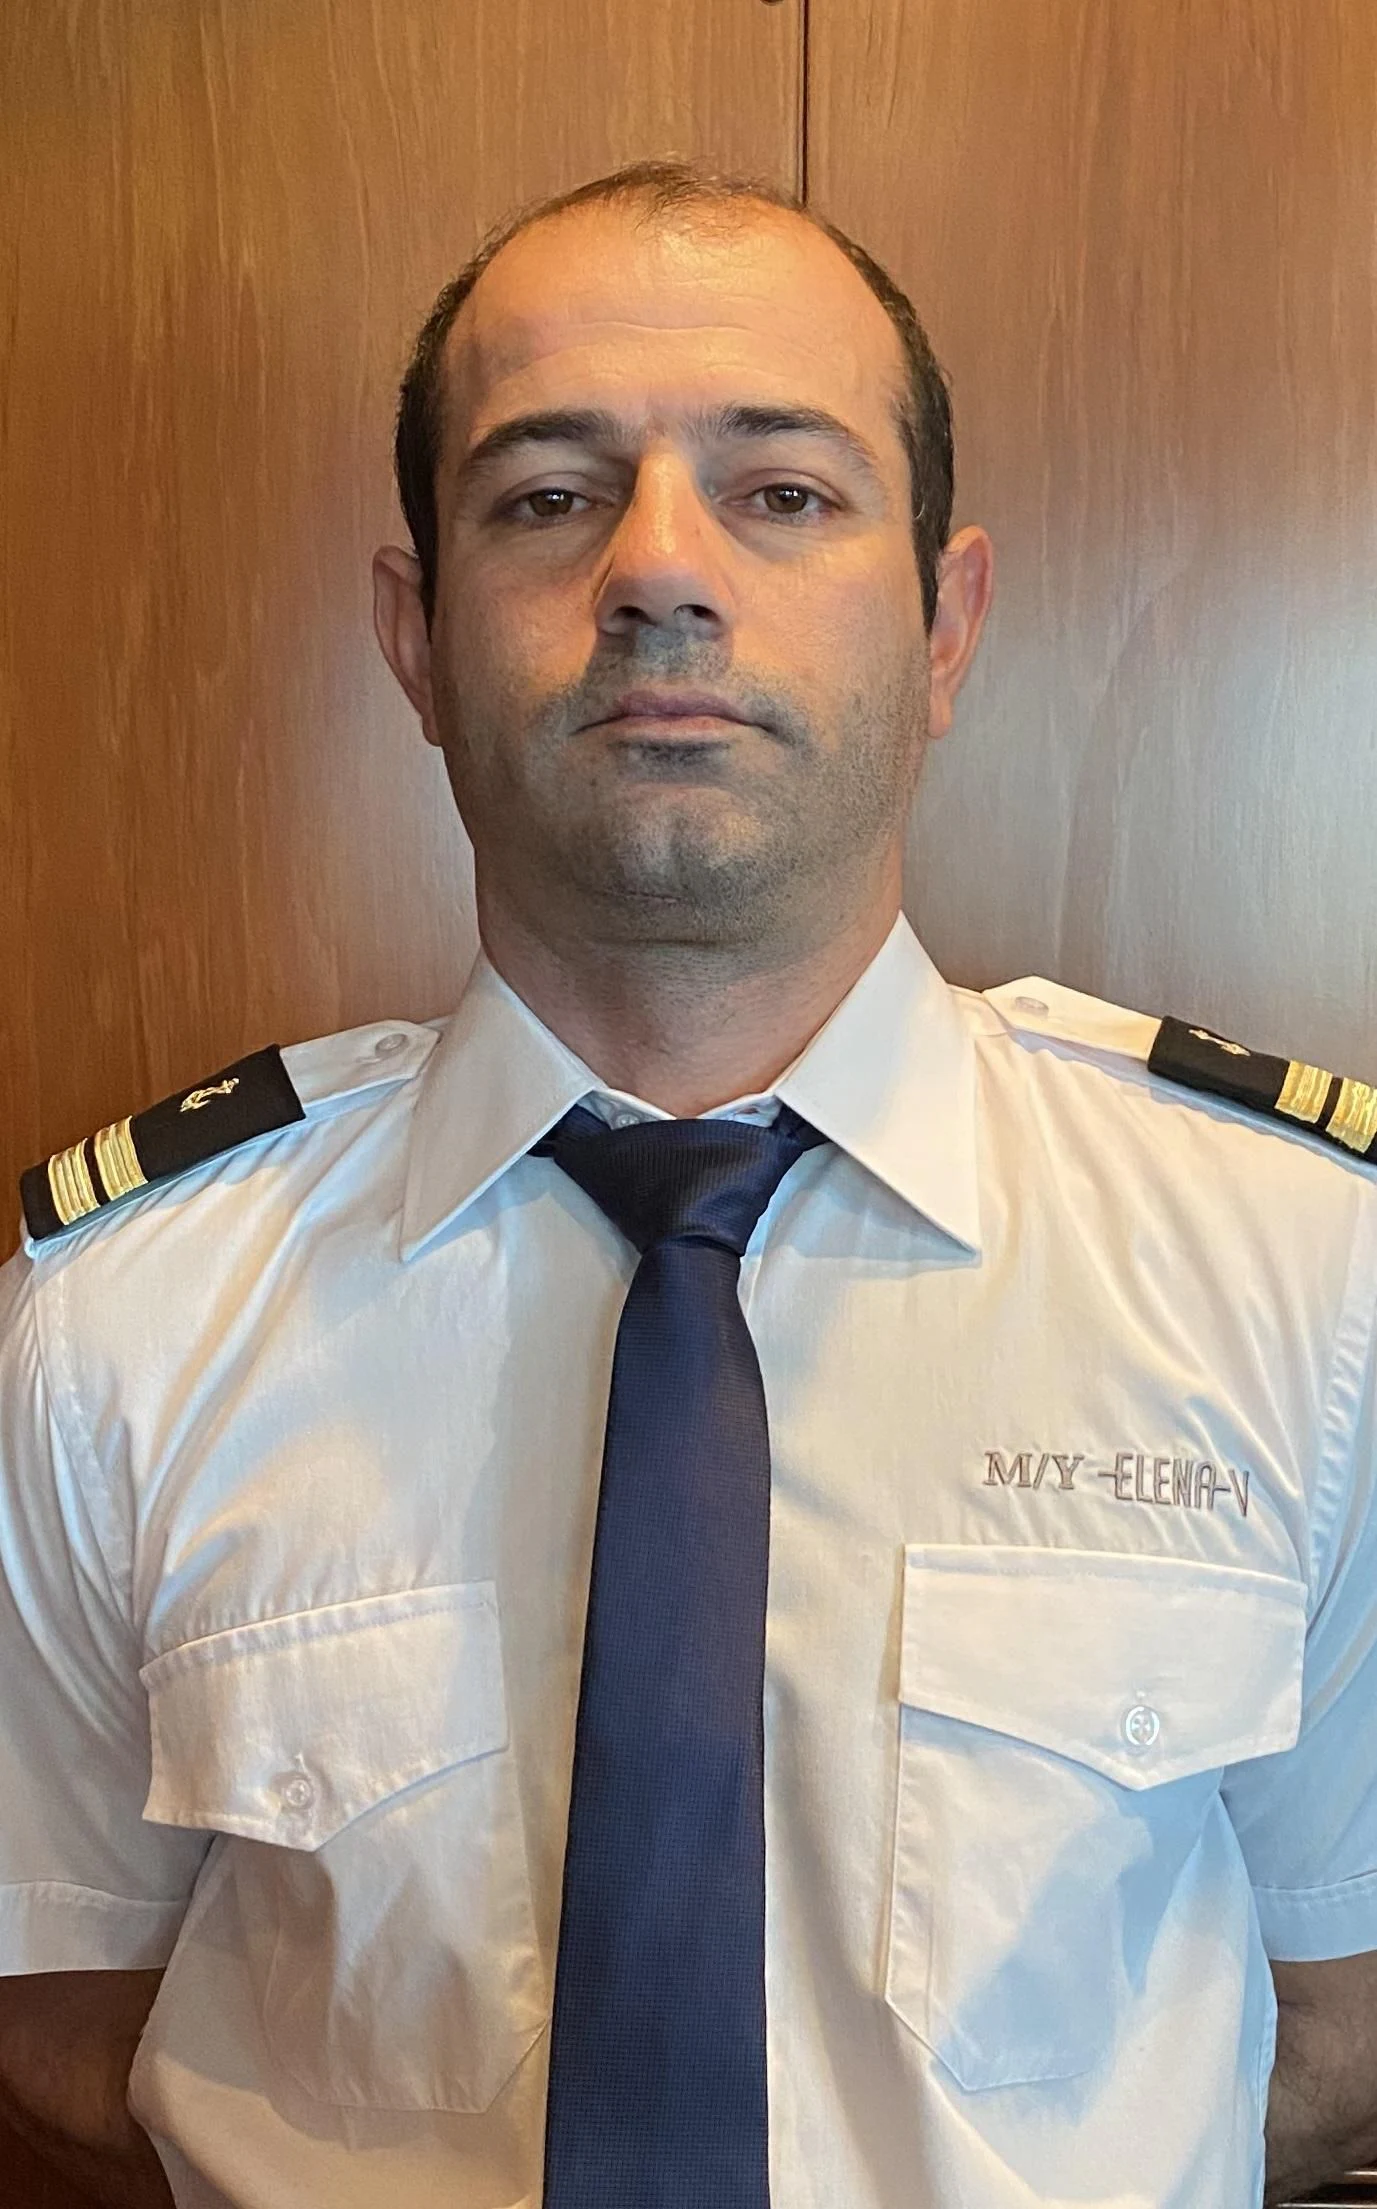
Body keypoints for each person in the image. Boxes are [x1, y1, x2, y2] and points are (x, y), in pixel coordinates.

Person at [1, 157, 1376, 2209]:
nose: (659, 568)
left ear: (944, 626)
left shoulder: (1303, 1272)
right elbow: (66, 2014)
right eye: (547, 495)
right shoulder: (122, 1316)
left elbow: (1334, 2015)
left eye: (784, 491)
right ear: (415, 640)